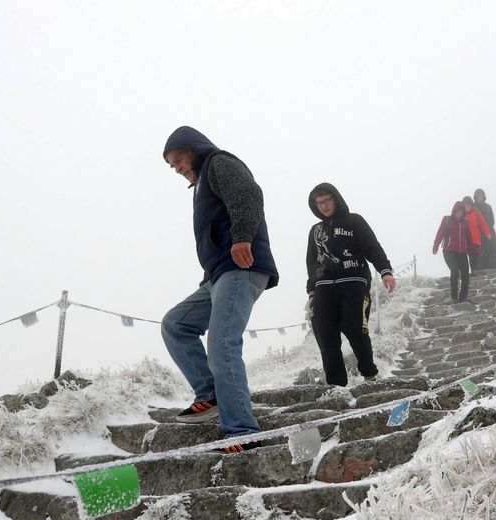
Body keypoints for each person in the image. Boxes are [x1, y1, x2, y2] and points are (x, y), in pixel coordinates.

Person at [160, 126, 279, 454]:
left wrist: (242, 237)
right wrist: (209, 276)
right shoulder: (199, 184)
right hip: (217, 275)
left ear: (194, 149)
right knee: (175, 324)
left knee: (223, 342)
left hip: (242, 266)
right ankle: (210, 394)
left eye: (179, 160)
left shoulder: (219, 163)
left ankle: (241, 430)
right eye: (172, 166)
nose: (178, 168)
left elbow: (249, 195)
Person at [306, 183, 395, 386]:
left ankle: (369, 374)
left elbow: (372, 247)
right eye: (318, 203)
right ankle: (337, 386)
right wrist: (312, 292)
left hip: (354, 282)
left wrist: (385, 271)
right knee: (326, 337)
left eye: (327, 200)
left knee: (355, 329)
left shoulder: (354, 221)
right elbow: (311, 263)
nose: (323, 206)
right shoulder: (315, 231)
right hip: (324, 288)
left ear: (336, 199)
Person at [432, 201, 472, 302]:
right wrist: (436, 245)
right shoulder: (447, 220)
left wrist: (474, 249)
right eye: (457, 211)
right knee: (455, 271)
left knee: (465, 274)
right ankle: (454, 297)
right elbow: (440, 233)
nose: (459, 213)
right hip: (449, 251)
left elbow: (469, 238)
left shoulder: (465, 223)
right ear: (454, 211)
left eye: (461, 212)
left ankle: (463, 297)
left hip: (462, 252)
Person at [461, 196, 491, 275]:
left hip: (476, 238)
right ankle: (473, 270)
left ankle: (476, 270)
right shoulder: (462, 214)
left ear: (471, 205)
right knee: (470, 255)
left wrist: (487, 233)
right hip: (466, 239)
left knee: (477, 254)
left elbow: (482, 222)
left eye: (468, 205)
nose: (467, 207)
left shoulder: (475, 211)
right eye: (465, 206)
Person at [472, 188, 496, 271]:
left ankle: (494, 266)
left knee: (494, 248)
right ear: (475, 197)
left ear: (484, 197)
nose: (480, 197)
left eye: (481, 196)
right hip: (478, 233)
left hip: (490, 231)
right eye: (478, 196)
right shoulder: (473, 208)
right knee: (481, 251)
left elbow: (492, 220)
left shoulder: (488, 207)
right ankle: (481, 268)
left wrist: (488, 230)